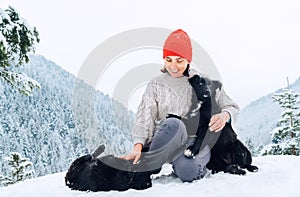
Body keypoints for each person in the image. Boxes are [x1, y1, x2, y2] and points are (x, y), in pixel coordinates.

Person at [120, 29, 239, 182]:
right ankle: (148, 165)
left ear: (188, 60)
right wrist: (138, 146)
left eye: (179, 60)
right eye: (168, 60)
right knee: (173, 123)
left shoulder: (203, 81)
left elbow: (232, 107)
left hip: (195, 142)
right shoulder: (156, 84)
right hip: (166, 140)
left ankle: (193, 163)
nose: (173, 66)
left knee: (188, 172)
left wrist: (225, 116)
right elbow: (145, 116)